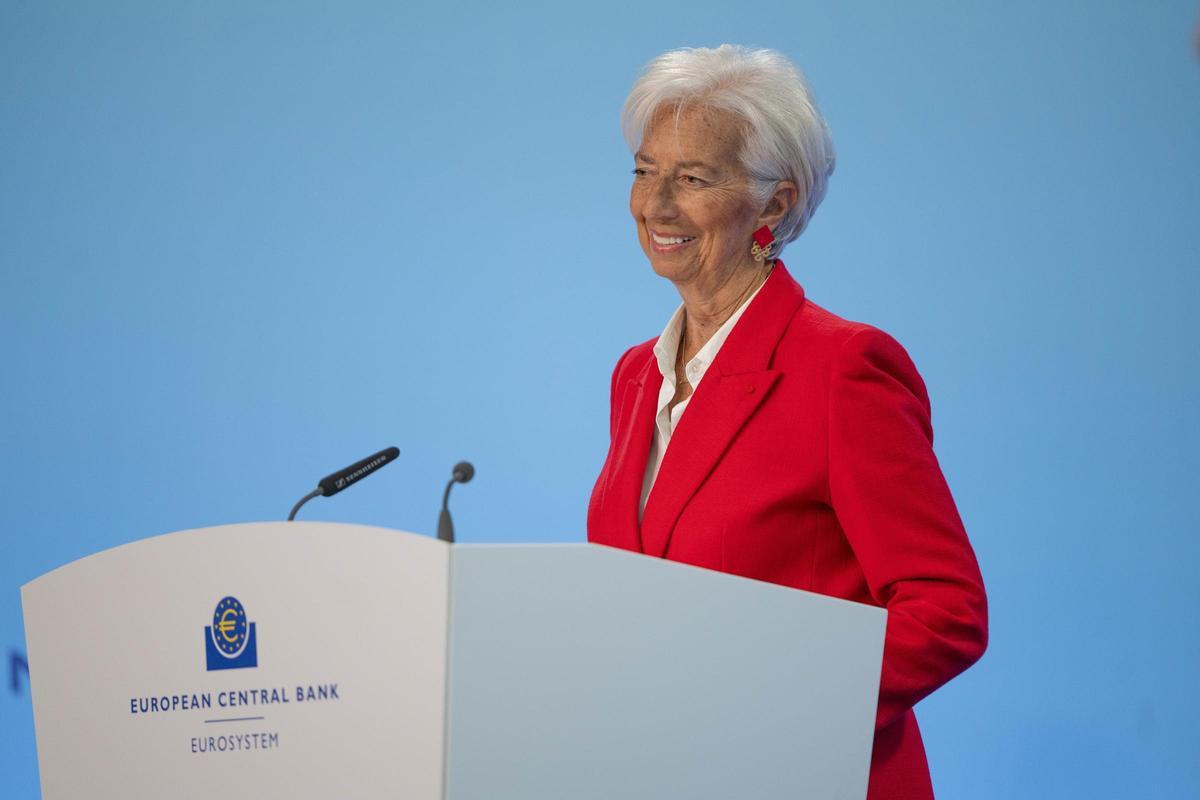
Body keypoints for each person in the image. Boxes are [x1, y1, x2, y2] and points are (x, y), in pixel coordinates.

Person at [587, 45, 988, 800]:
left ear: (775, 204)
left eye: (694, 178)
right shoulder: (635, 376)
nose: (656, 205)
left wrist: (771, 708)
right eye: (645, 171)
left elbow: (947, 611)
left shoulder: (844, 368)